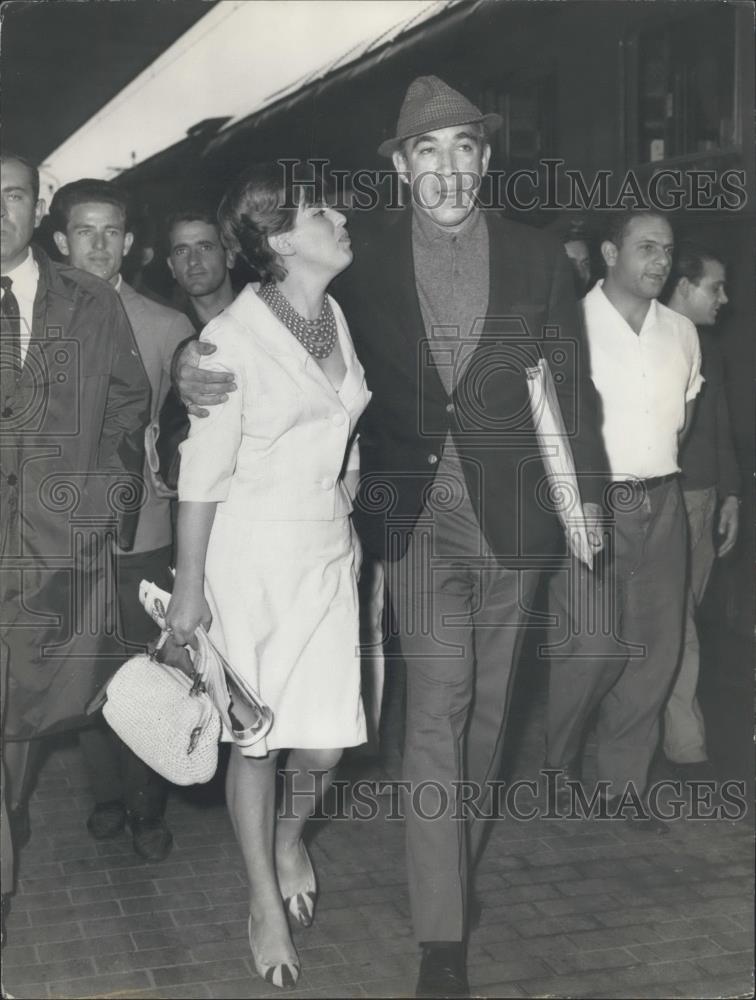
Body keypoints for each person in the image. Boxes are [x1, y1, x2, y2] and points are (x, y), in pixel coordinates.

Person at [175, 77, 607, 997]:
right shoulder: (356, 257)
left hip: (514, 517)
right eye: (428, 153)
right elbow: (259, 301)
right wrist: (189, 363)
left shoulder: (541, 261)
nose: (448, 171)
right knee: (438, 711)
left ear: (486, 162)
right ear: (403, 169)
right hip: (413, 523)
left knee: (491, 719)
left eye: (464, 150)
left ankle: (453, 863)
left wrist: (591, 497)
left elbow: (571, 390)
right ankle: (439, 937)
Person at [165, 162, 370, 988]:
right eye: (322, 211)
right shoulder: (229, 342)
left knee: (322, 747)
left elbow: (340, 415)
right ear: (280, 240)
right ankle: (261, 900)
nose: (341, 217)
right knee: (257, 744)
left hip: (327, 554)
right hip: (247, 563)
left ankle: (290, 840)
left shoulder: (331, 316)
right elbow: (200, 477)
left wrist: (348, 471)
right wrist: (186, 593)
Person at [0, 154, 150, 892]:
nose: (1, 209)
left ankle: (10, 817)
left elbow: (129, 403)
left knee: (25, 712)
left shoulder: (90, 303)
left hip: (50, 553)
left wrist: (105, 501)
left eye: (15, 194)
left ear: (38, 209)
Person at [49, 178, 195, 861]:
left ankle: (146, 805)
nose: (100, 244)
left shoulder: (169, 327)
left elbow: (186, 429)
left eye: (112, 231)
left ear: (130, 243)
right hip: (62, 534)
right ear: (61, 242)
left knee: (148, 669)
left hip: (146, 530)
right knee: (86, 669)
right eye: (85, 230)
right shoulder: (31, 323)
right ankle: (105, 794)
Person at [545, 210, 703, 830]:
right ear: (610, 252)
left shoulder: (682, 332)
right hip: (591, 502)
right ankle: (559, 771)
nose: (660, 261)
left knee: (654, 652)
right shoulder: (569, 326)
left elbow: (682, 423)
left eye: (667, 249)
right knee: (592, 648)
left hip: (661, 500)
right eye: (646, 247)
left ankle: (621, 786)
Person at [662, 242, 740, 780]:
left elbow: (720, 426)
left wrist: (731, 493)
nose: (724, 297)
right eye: (715, 286)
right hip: (671, 499)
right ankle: (685, 746)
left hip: (706, 498)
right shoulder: (654, 340)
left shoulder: (705, 343)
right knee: (675, 625)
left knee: (677, 622)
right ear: (684, 287)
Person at [165, 205, 236, 331]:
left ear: (229, 257)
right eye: (181, 251)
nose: (193, 261)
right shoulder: (169, 332)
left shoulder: (264, 314)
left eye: (205, 247)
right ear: (171, 266)